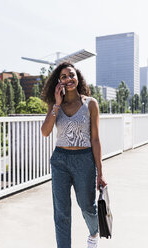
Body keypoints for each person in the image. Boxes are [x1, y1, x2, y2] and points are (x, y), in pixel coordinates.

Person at [41, 62, 107, 248]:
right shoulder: (56, 105)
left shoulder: (90, 103)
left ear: (77, 77)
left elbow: (95, 139)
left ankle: (93, 234)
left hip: (84, 160)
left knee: (87, 206)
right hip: (60, 160)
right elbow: (45, 132)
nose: (68, 79)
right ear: (59, 81)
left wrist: (100, 172)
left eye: (71, 75)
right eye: (64, 76)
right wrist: (56, 105)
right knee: (61, 212)